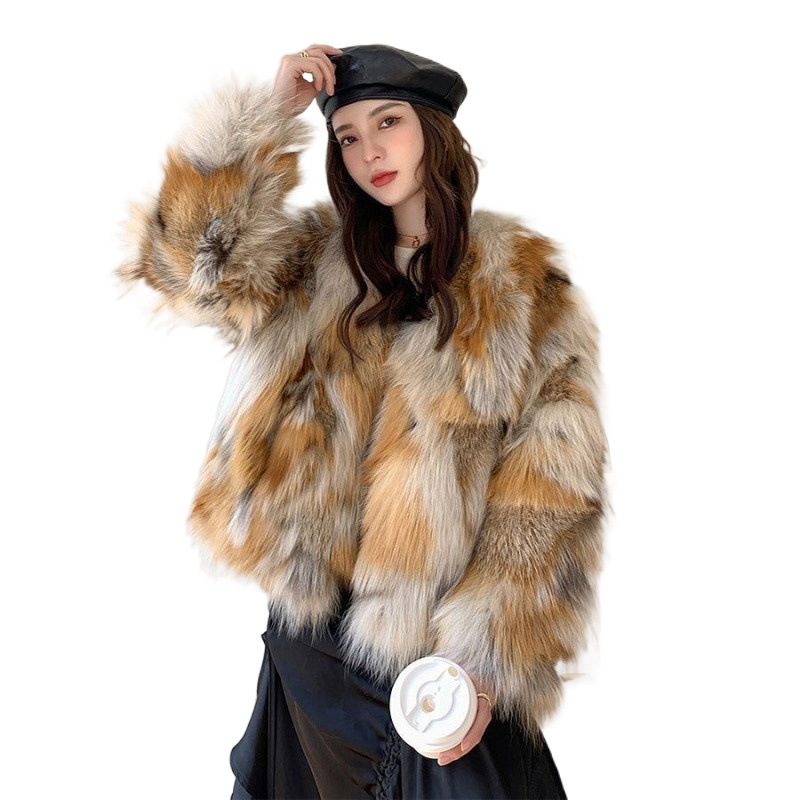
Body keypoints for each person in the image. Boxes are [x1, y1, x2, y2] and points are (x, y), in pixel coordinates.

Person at [115, 42, 608, 800]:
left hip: (439, 658)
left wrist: (483, 658)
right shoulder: (309, 264)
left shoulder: (522, 289)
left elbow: (549, 496)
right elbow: (185, 266)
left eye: (389, 123)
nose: (369, 150)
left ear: (433, 131)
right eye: (347, 135)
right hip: (312, 640)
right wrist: (269, 114)